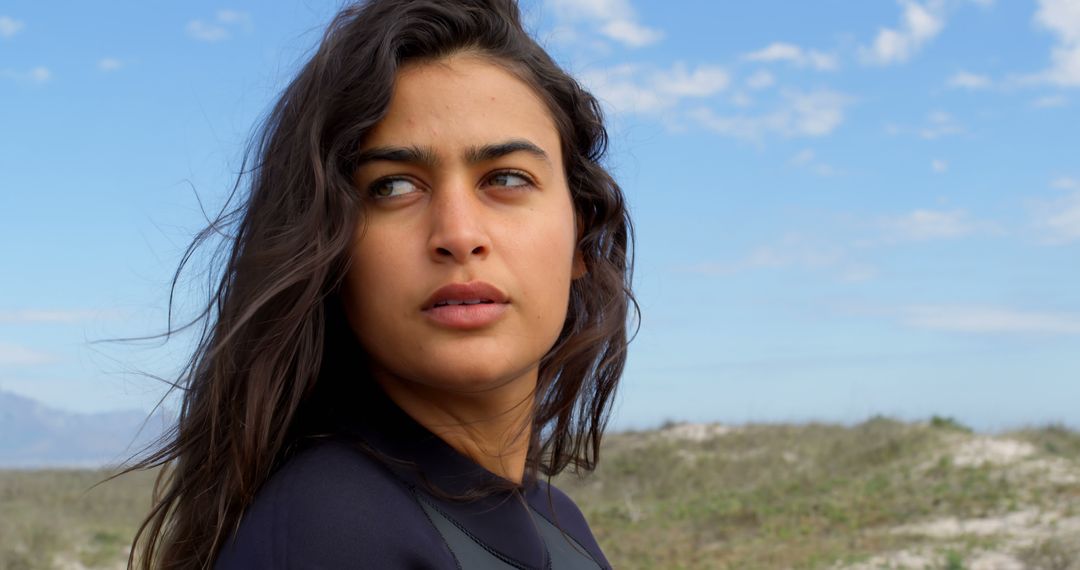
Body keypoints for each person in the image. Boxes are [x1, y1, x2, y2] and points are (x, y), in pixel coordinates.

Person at [120, 0, 636, 568]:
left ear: (582, 241)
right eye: (392, 187)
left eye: (507, 178)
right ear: (329, 248)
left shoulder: (557, 522)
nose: (459, 235)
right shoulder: (330, 529)